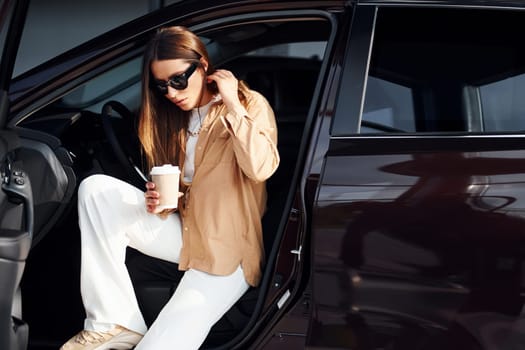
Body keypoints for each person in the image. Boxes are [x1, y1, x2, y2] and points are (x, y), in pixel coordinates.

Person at [61, 26, 279, 349]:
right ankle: (115, 322)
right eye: (162, 86)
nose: (172, 93)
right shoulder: (177, 120)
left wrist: (232, 103)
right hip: (187, 232)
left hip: (227, 252)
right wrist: (165, 201)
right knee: (94, 192)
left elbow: (261, 167)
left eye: (178, 80)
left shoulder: (250, 105)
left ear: (203, 65)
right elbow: (190, 192)